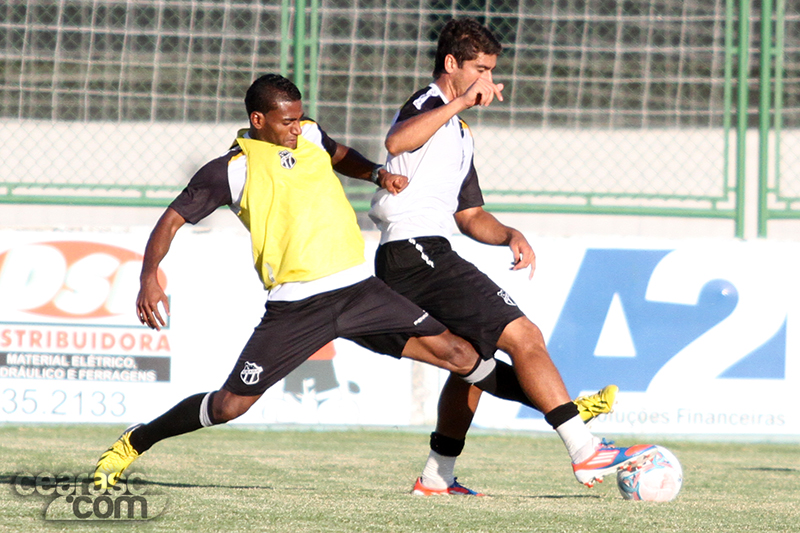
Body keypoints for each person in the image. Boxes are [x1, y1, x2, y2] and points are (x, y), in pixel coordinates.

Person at [94, 73, 528, 490]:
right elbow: (170, 221)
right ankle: (138, 439)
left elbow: (340, 154)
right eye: (287, 121)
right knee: (230, 406)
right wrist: (149, 276)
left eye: (300, 118)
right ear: (258, 120)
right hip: (297, 306)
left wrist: (377, 173)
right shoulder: (230, 170)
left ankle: (559, 411)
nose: (296, 129)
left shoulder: (311, 135)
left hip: (360, 291)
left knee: (458, 352)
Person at [369, 18, 649, 494]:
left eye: (491, 69)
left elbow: (470, 214)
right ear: (451, 64)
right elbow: (395, 142)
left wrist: (509, 234)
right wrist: (459, 100)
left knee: (473, 363)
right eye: (479, 68)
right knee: (525, 336)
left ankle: (438, 476)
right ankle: (585, 449)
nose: (487, 79)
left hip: (422, 252)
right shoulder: (430, 103)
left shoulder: (459, 132)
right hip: (413, 251)